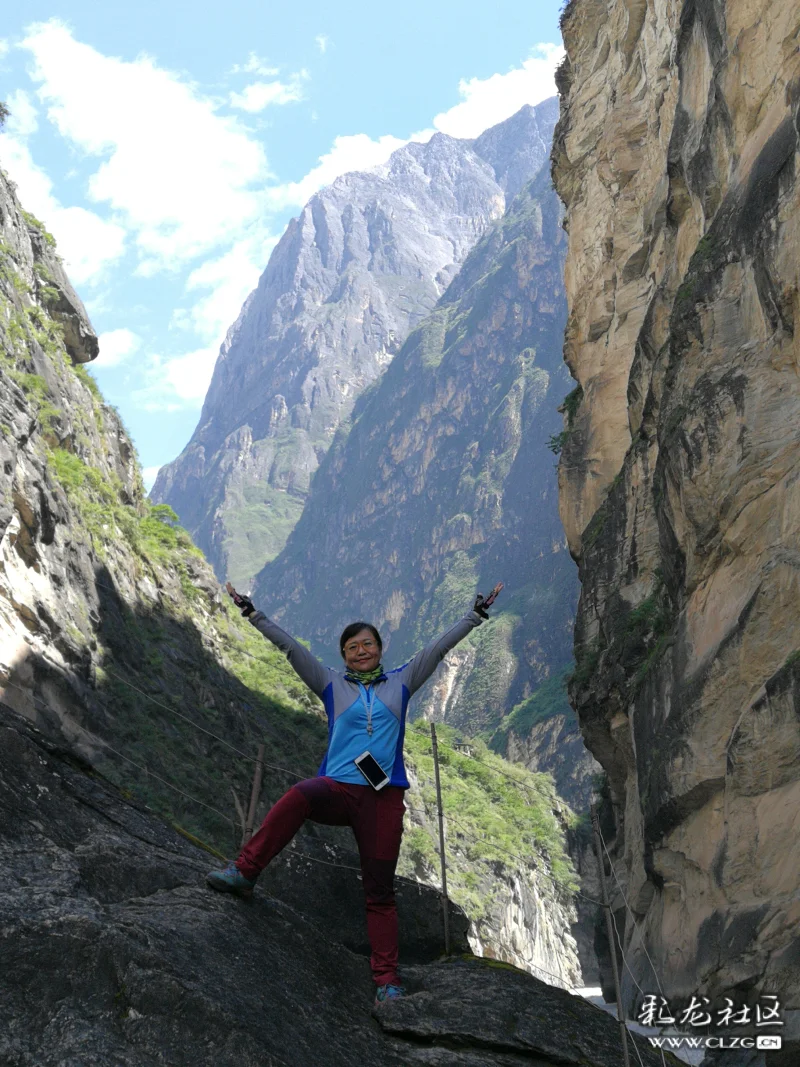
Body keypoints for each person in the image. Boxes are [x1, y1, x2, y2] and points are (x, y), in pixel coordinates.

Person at [207, 581, 502, 1005]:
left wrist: (474, 617)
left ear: (380, 648)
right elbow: (292, 650)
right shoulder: (330, 684)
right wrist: (254, 616)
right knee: (299, 795)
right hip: (337, 788)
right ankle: (245, 872)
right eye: (352, 647)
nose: (361, 651)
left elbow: (436, 651)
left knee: (379, 892)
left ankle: (386, 980)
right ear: (343, 655)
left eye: (367, 644)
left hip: (383, 800)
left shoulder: (402, 683)